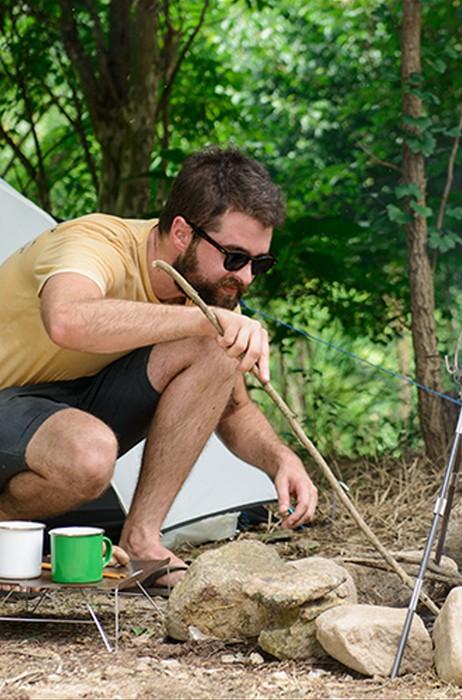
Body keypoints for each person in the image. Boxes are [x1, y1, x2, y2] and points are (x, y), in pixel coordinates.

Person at [0, 146, 318, 586]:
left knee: (214, 350)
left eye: (258, 263)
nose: (245, 277)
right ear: (183, 232)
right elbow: (66, 320)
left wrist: (280, 459)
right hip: (10, 398)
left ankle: (142, 540)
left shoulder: (211, 294)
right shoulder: (94, 242)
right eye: (234, 258)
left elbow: (232, 409)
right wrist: (204, 321)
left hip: (66, 412)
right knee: (89, 453)